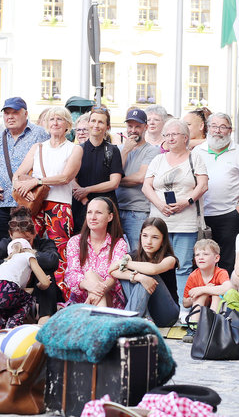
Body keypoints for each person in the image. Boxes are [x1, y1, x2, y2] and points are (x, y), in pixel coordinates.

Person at [11, 105, 82, 294]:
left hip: (59, 205)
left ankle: (59, 295)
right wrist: (22, 188)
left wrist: (37, 180)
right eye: (52, 119)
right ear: (46, 124)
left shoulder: (74, 149)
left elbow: (65, 177)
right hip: (35, 204)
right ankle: (22, 292)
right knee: (25, 246)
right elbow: (17, 175)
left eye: (60, 119)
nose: (55, 123)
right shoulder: (38, 147)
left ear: (68, 125)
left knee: (60, 251)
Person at [0, 207, 60, 337]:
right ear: (10, 236)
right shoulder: (6, 243)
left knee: (47, 272)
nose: (21, 245)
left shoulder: (44, 243)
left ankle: (44, 321)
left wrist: (26, 258)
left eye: (26, 240)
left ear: (34, 233)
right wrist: (12, 263)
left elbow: (52, 261)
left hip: (34, 289)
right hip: (8, 290)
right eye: (17, 241)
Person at [143, 119, 209, 295]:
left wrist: (186, 202)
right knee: (155, 265)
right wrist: (159, 204)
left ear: (185, 137)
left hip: (185, 223)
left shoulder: (195, 158)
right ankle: (159, 306)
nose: (170, 138)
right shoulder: (158, 159)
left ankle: (183, 307)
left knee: (183, 266)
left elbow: (203, 185)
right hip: (159, 222)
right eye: (167, 135)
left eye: (174, 134)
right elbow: (146, 186)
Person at [0, 96, 49, 250]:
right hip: (1, 202)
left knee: (27, 248)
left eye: (15, 112)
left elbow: (51, 164)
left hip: (28, 203)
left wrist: (35, 183)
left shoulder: (40, 134)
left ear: (26, 114)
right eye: (6, 113)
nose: (10, 117)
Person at [192, 112, 239, 274]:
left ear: (230, 130)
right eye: (214, 126)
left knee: (227, 261)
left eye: (223, 127)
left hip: (229, 214)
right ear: (208, 128)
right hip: (202, 215)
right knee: (202, 258)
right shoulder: (197, 151)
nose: (218, 131)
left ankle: (225, 289)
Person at [111, 216, 180, 329]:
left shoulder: (170, 259)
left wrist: (124, 263)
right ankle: (143, 317)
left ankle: (128, 323)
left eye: (155, 237)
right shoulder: (134, 255)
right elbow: (112, 270)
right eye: (145, 236)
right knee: (130, 275)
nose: (148, 241)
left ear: (163, 240)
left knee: (146, 272)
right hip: (145, 310)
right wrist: (138, 277)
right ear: (140, 236)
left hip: (167, 315)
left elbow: (153, 269)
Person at [65, 197, 128, 307]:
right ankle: (100, 316)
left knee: (90, 274)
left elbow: (114, 276)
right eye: (89, 212)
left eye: (98, 213)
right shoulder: (75, 242)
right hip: (81, 302)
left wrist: (96, 292)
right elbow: (72, 274)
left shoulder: (119, 244)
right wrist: (90, 286)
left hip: (111, 300)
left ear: (110, 217)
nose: (93, 217)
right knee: (90, 275)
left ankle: (99, 315)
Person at [0, 237, 51, 331]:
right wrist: (41, 284)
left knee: (6, 304)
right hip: (6, 287)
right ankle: (13, 324)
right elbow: (45, 282)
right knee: (27, 299)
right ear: (29, 248)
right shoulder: (28, 255)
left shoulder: (7, 262)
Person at [71, 105, 123, 234]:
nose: (96, 125)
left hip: (105, 208)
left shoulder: (113, 150)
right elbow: (71, 178)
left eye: (101, 122)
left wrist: (87, 190)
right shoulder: (78, 149)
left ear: (107, 127)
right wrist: (84, 200)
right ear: (88, 123)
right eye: (93, 121)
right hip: (81, 206)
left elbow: (114, 183)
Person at [115, 108, 161, 251]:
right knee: (117, 253)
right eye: (130, 126)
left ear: (145, 128)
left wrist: (115, 181)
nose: (133, 130)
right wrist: (125, 151)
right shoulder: (119, 149)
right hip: (116, 208)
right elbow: (114, 173)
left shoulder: (152, 150)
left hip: (138, 211)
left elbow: (140, 177)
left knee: (138, 251)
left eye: (137, 126)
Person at [183, 238, 231, 312]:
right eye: (197, 255)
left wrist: (203, 289)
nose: (201, 258)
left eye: (205, 254)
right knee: (200, 297)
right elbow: (185, 303)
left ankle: (213, 318)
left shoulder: (221, 273)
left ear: (216, 258)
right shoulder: (193, 276)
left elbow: (228, 288)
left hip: (219, 309)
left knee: (216, 296)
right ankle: (195, 319)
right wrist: (201, 294)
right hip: (201, 307)